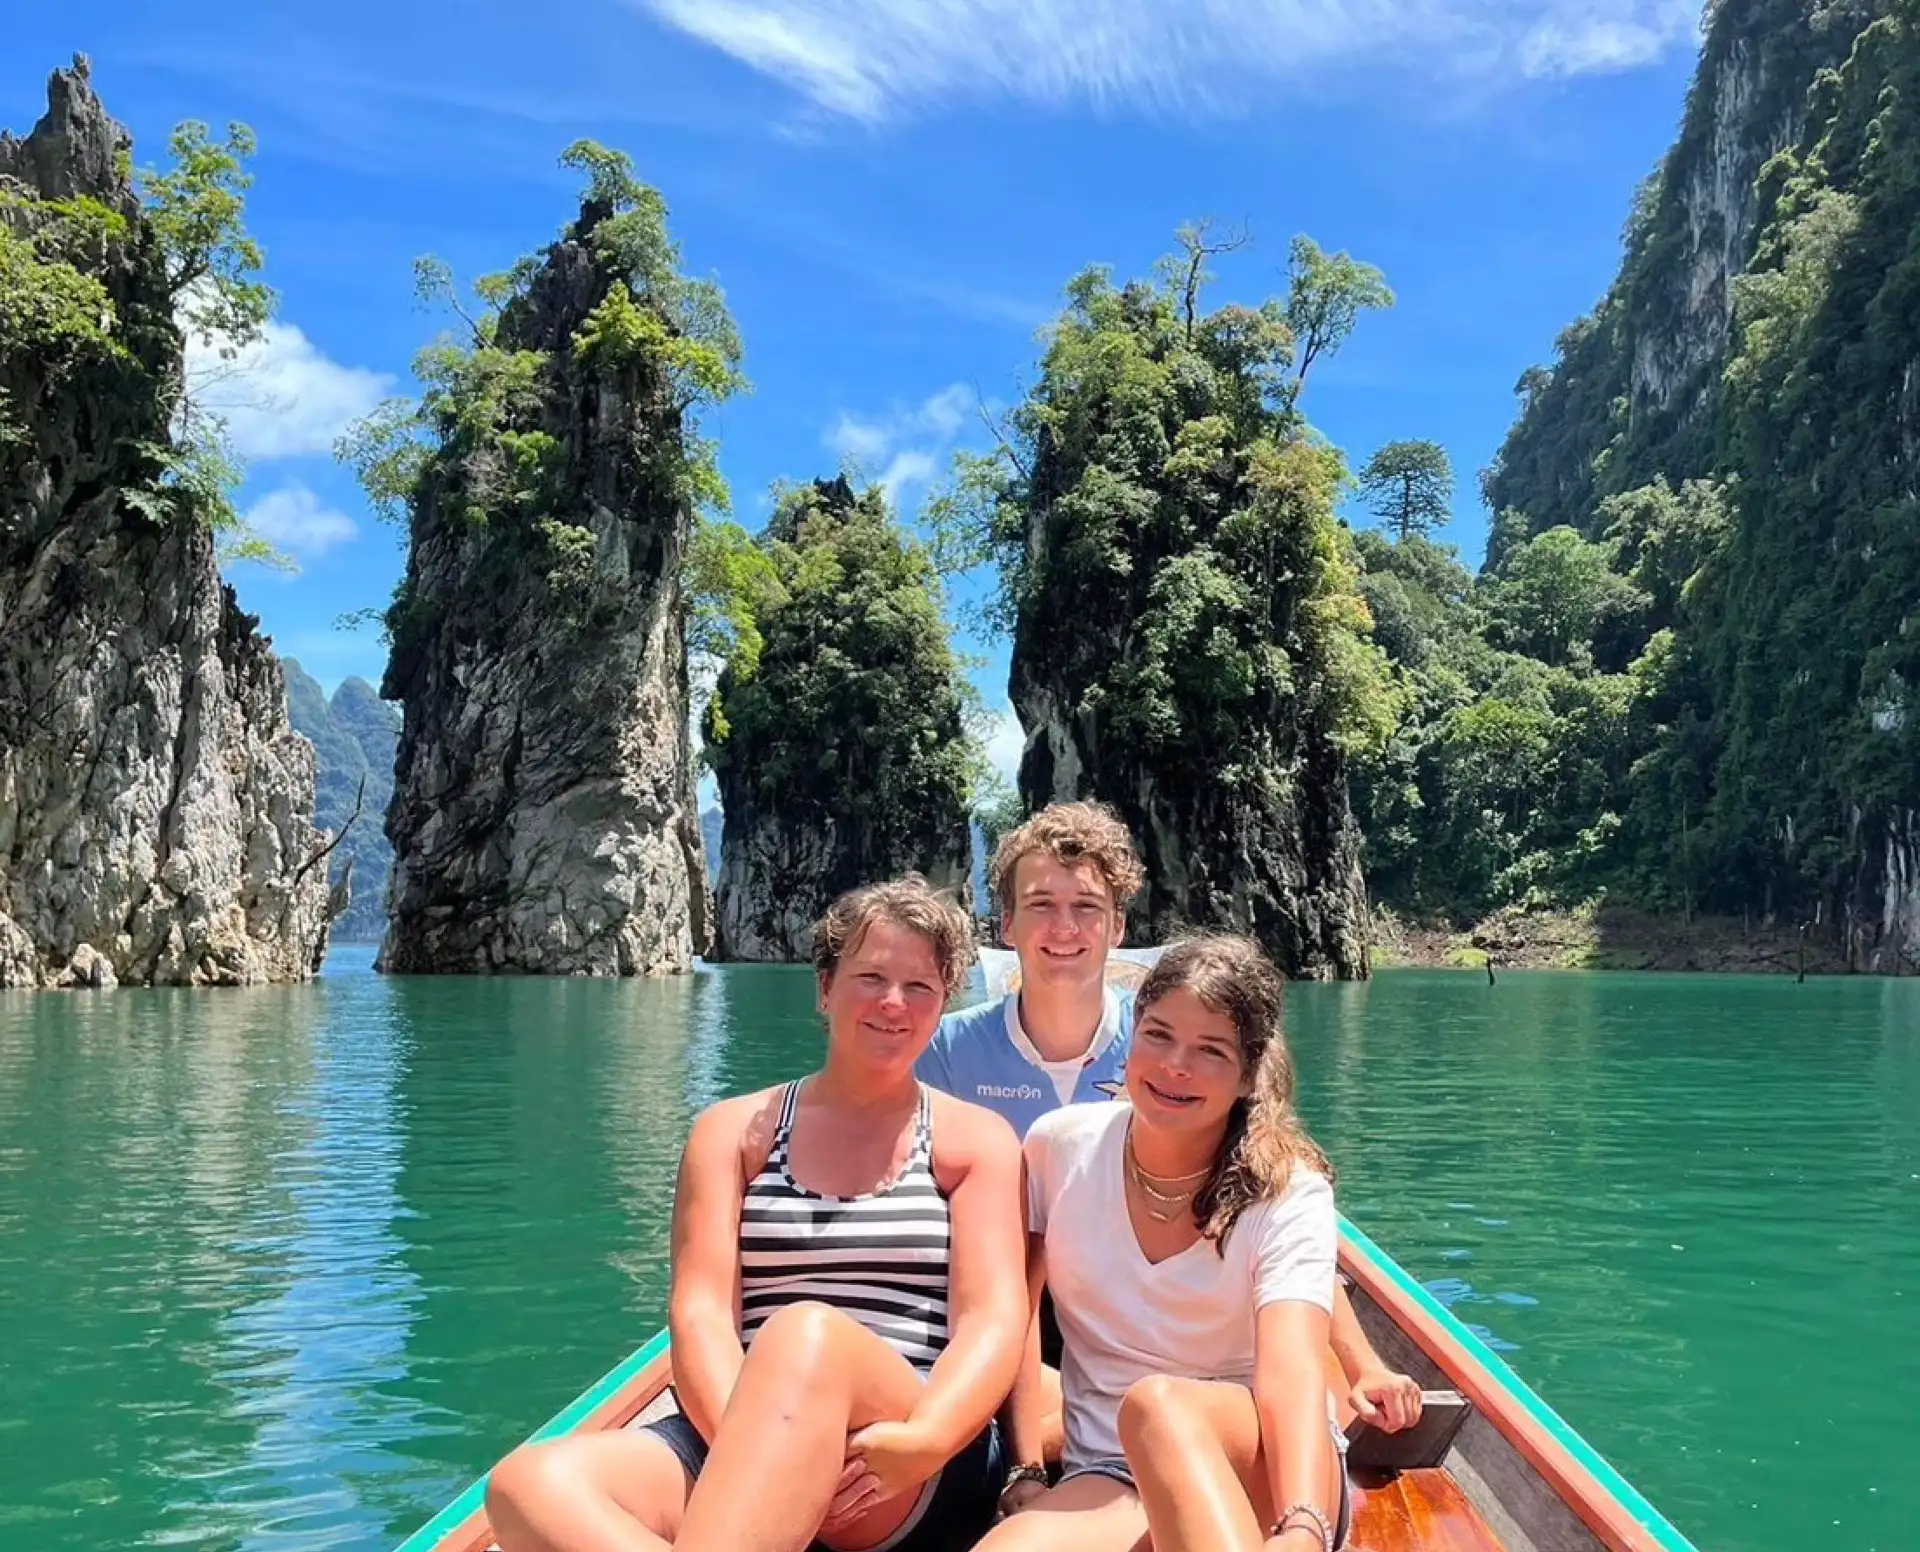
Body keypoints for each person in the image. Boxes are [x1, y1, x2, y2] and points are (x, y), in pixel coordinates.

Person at [486, 876, 1029, 1552]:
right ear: (825, 988)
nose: (894, 1002)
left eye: (919, 986)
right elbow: (701, 1311)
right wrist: (755, 1451)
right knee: (529, 1486)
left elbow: (992, 1321)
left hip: (903, 1452)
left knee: (806, 1335)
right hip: (740, 1419)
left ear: (943, 1002)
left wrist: (926, 1440)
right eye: (870, 978)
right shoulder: (733, 1133)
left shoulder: (974, 1141)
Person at [915, 802, 1421, 1489]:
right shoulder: (948, 1051)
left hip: (1158, 1318)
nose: (1065, 928)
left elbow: (1269, 1199)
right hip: (1013, 1296)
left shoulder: (1172, 1032)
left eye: (1087, 908)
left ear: (1118, 927)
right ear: (1006, 925)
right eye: (1041, 906)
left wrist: (1362, 1363)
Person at [984, 933, 1354, 1552]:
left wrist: (1303, 1526)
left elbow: (1291, 1370)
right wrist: (1024, 1466)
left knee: (1160, 1406)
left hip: (1265, 1467)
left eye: (1210, 1050)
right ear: (1131, 1037)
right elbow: (1015, 1310)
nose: (1176, 1065)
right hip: (1110, 1468)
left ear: (1249, 1074)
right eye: (1158, 1035)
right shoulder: (1058, 1147)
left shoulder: (1288, 1192)